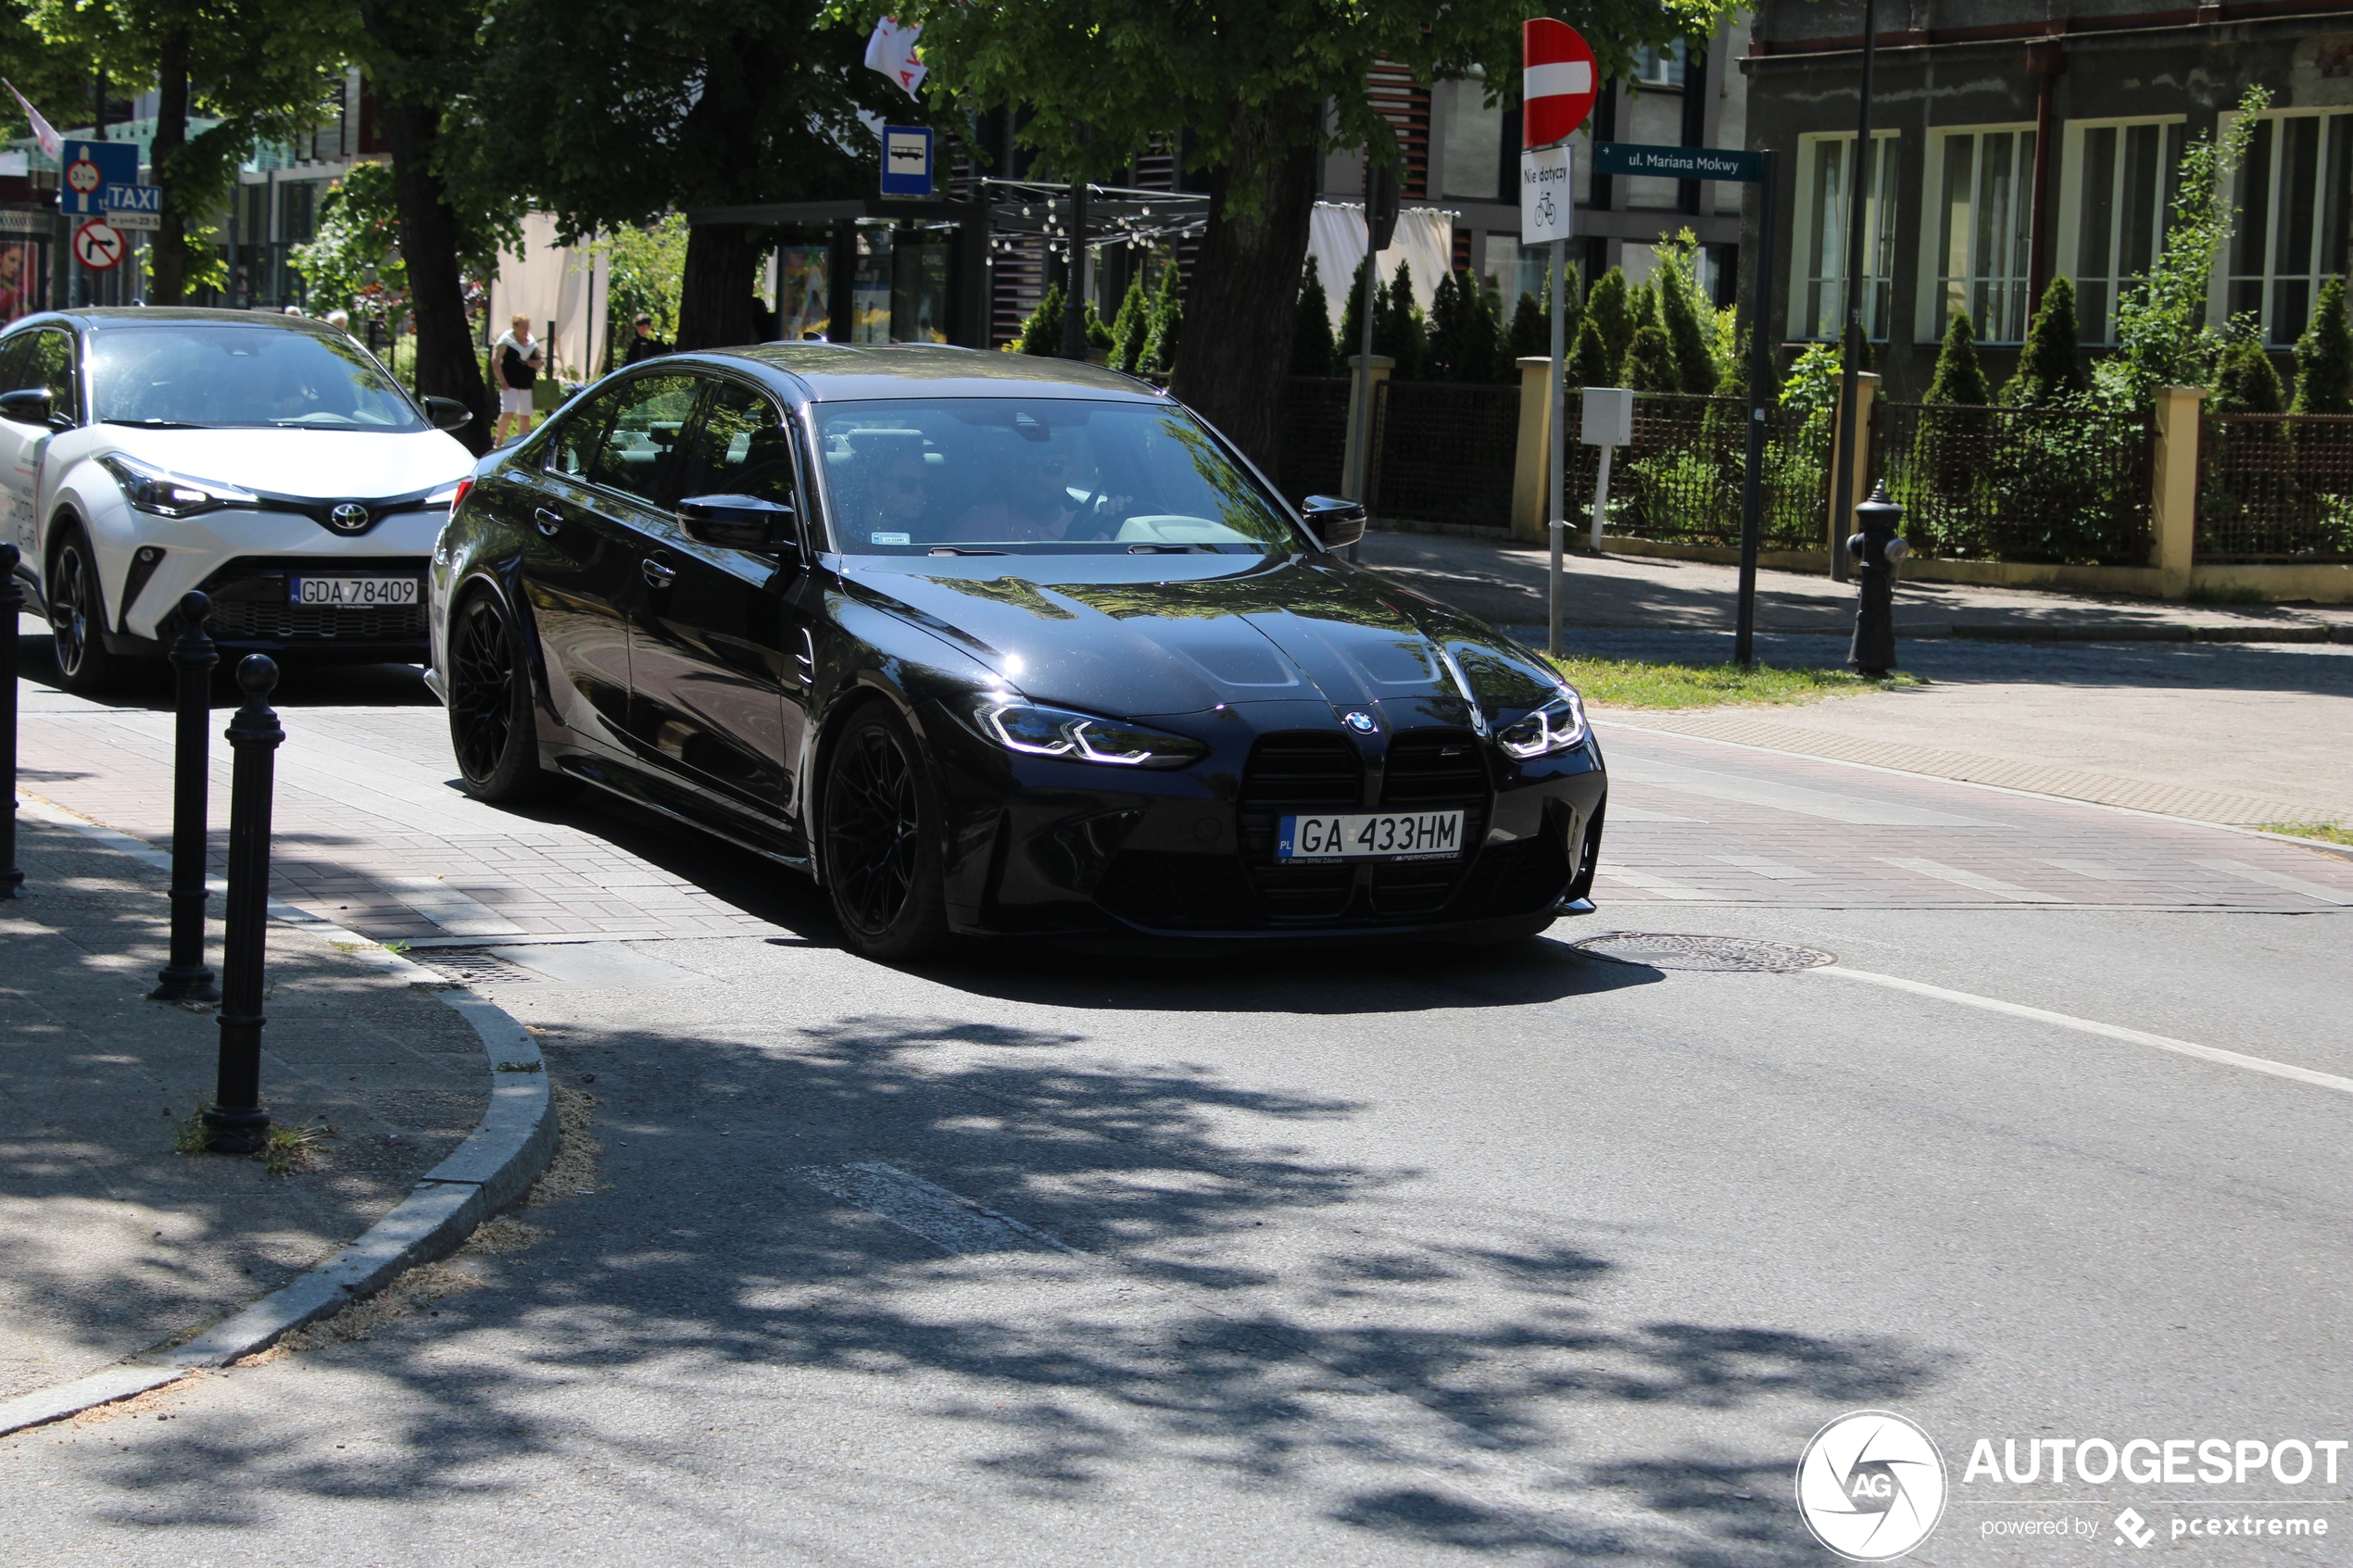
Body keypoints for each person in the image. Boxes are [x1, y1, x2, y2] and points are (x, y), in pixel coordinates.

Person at [491, 313, 545, 444]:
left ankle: (520, 444)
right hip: (509, 383)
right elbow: (496, 361)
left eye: (527, 327)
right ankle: (499, 441)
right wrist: (502, 381)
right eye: (523, 327)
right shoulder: (506, 341)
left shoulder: (531, 342)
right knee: (508, 413)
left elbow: (540, 361)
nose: (526, 330)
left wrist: (535, 363)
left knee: (525, 415)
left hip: (527, 382)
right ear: (515, 327)